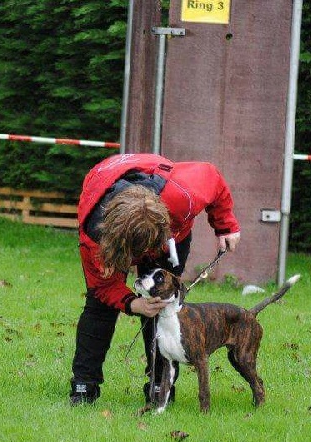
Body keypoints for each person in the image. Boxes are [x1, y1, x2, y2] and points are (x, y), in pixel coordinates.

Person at [70, 153, 241, 406]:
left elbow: (214, 178)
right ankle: (84, 386)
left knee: (162, 308)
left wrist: (226, 225)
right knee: (99, 308)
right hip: (113, 229)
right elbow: (103, 286)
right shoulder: (95, 234)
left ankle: (161, 385)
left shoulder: (183, 195)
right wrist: (131, 303)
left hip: (168, 232)